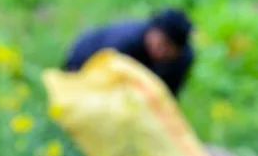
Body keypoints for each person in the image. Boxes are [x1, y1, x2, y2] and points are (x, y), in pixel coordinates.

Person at [64, 8, 194, 97]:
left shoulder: (183, 59)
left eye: (168, 49)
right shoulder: (126, 42)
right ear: (152, 31)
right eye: (160, 44)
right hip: (85, 62)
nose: (161, 52)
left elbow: (167, 96)